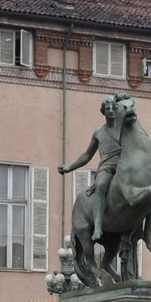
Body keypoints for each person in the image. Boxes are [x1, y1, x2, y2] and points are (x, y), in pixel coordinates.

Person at [57, 93, 123, 241]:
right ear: (103, 111)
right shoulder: (99, 133)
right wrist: (69, 168)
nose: (111, 110)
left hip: (124, 165)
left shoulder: (124, 128)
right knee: (100, 185)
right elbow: (87, 155)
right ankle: (98, 226)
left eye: (113, 107)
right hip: (107, 167)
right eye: (108, 108)